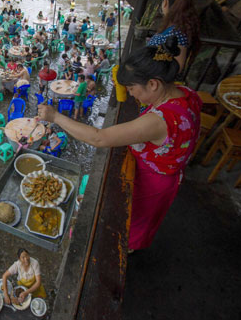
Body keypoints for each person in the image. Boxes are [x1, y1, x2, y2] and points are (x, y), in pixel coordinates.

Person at [37, 37, 201, 252]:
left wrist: (55, 117)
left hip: (152, 181)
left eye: (132, 88)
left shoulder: (160, 120)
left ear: (153, 84)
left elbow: (99, 138)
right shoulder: (188, 93)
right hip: (168, 173)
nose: (131, 94)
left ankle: (127, 252)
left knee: (133, 224)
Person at [147, 0, 200, 72]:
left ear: (165, 2)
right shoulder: (175, 28)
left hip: (156, 81)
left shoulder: (178, 33)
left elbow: (177, 67)